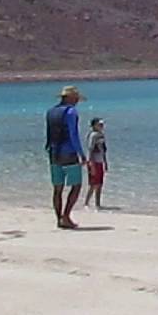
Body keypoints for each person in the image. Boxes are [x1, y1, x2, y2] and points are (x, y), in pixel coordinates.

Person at [45, 86, 87, 229]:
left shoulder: (51, 112)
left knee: (57, 188)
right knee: (76, 185)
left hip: (53, 152)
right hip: (68, 152)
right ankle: (66, 215)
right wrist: (81, 154)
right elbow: (73, 135)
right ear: (70, 98)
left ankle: (59, 219)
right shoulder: (71, 112)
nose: (76, 101)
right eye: (75, 98)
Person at [83, 117, 108, 209]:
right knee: (93, 184)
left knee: (100, 184)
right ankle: (86, 203)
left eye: (102, 125)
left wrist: (105, 162)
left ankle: (98, 204)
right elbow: (90, 150)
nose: (102, 126)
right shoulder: (93, 135)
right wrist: (91, 164)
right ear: (94, 126)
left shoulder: (101, 135)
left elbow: (103, 150)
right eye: (99, 125)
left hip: (100, 161)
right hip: (94, 162)